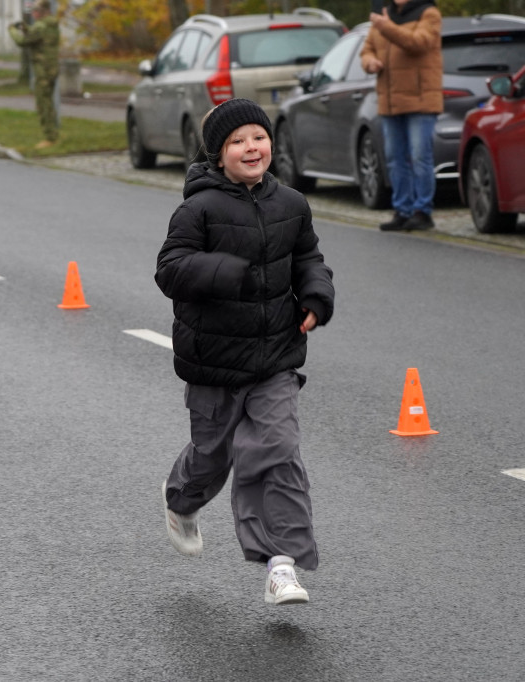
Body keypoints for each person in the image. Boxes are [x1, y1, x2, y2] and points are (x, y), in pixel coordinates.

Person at [155, 98, 335, 606]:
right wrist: (225, 271)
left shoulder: (292, 204)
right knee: (213, 456)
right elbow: (170, 269)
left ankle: (281, 565)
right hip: (214, 360)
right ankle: (181, 499)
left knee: (275, 451)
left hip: (276, 354)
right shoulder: (198, 208)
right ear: (218, 155)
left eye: (258, 136)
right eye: (237, 141)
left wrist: (318, 296)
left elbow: (308, 259)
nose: (251, 147)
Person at [360, 0, 442, 232]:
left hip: (420, 100)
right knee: (395, 158)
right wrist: (370, 62)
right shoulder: (384, 15)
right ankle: (402, 210)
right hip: (390, 101)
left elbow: (418, 43)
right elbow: (366, 50)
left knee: (419, 156)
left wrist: (386, 26)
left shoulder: (429, 14)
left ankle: (422, 211)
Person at [8, 0, 60, 148]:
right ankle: (53, 134)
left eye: (35, 11)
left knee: (43, 104)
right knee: (48, 102)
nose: (33, 14)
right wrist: (26, 28)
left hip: (42, 70)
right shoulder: (51, 24)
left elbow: (23, 41)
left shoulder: (40, 26)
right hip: (51, 68)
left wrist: (12, 30)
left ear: (42, 12)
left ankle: (50, 137)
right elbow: (37, 36)